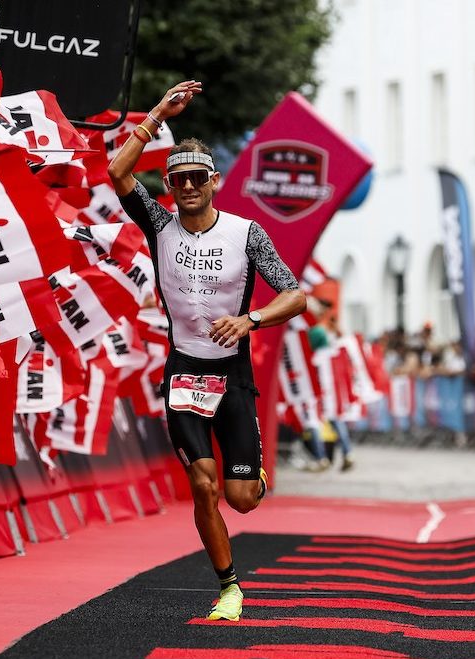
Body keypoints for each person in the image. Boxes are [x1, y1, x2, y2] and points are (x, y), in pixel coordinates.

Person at [107, 80, 306, 622]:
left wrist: (250, 320)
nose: (189, 187)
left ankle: (255, 476)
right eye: (179, 180)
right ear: (169, 186)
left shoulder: (247, 234)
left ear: (214, 182)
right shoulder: (159, 225)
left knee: (240, 498)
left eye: (198, 178)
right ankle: (229, 587)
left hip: (232, 375)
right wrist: (156, 115)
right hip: (185, 373)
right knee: (202, 481)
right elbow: (117, 173)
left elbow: (296, 295)